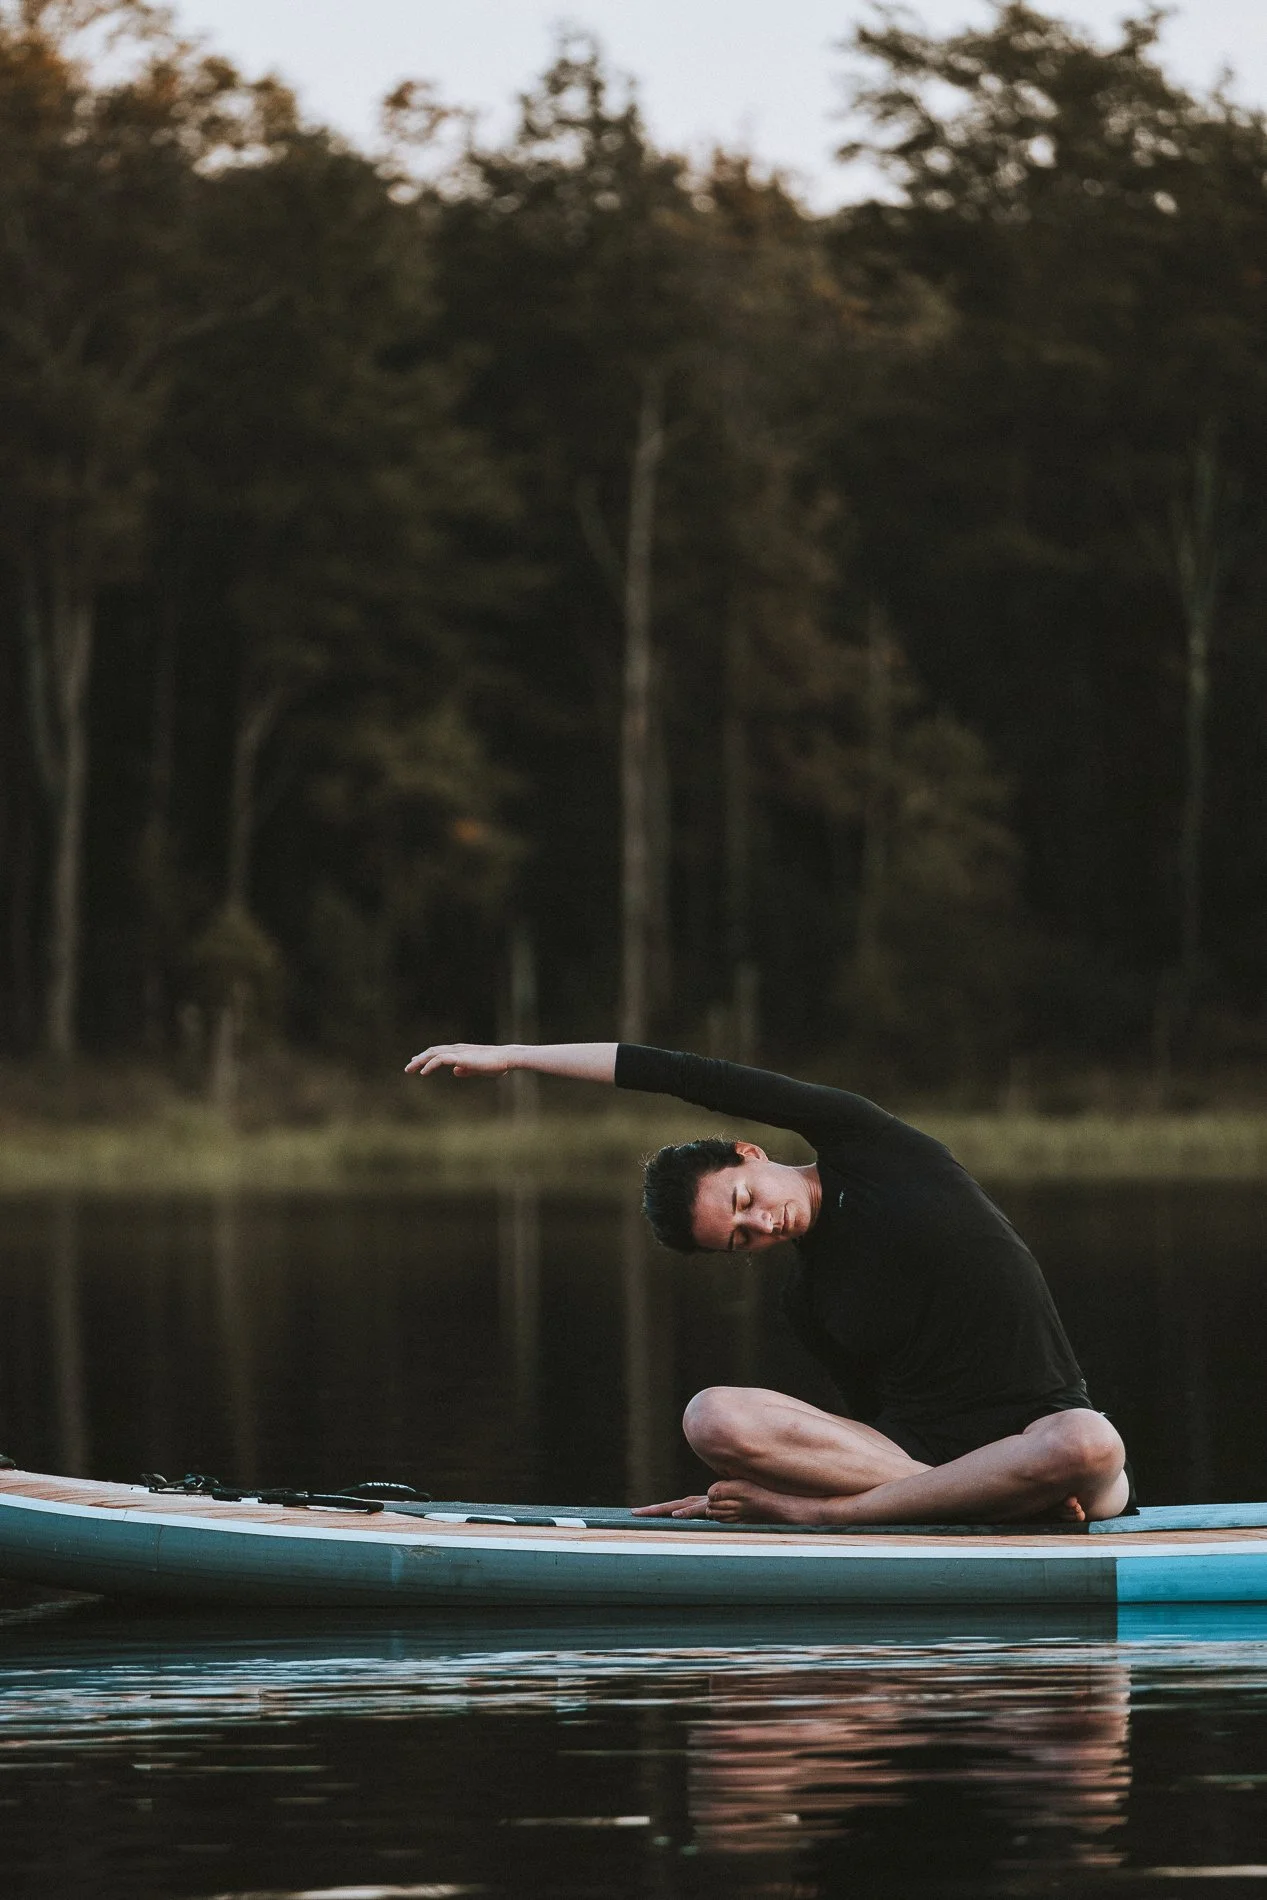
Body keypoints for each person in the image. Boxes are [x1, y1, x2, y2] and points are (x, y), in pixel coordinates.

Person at [405, 1038, 1133, 1526]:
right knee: (711, 1417)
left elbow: (690, 1076)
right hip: (926, 1463)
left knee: (1089, 1440)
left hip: (1045, 1443)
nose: (760, 1226)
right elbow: (861, 1433)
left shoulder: (869, 1147)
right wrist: (787, 1481)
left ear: (750, 1153)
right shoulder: (810, 1303)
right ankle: (968, 1504)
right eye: (740, 1240)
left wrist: (514, 1058)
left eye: (744, 1201)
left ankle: (848, 1520)